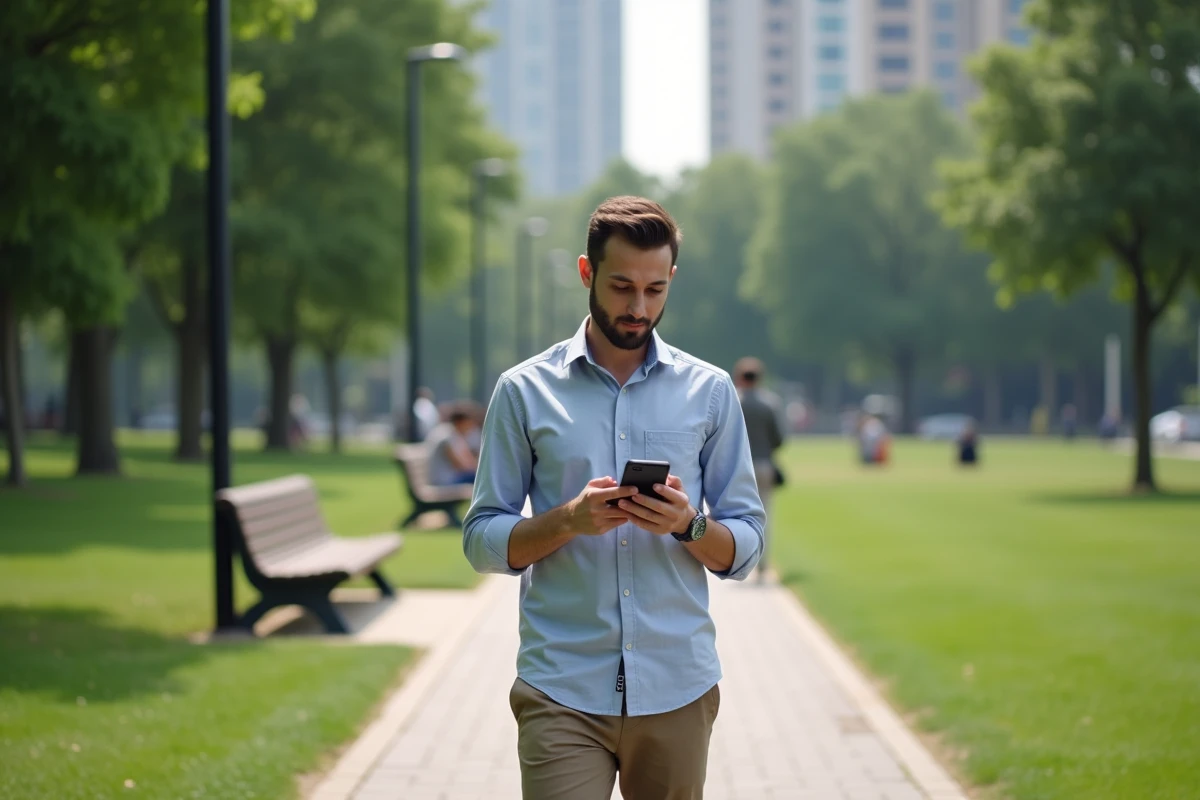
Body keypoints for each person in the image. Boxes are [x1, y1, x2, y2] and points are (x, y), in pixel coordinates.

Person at [464, 196, 766, 800]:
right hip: (561, 687)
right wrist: (568, 521)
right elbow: (481, 540)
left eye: (655, 290)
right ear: (586, 273)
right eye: (622, 286)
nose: (638, 307)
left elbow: (747, 548)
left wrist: (689, 525)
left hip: (677, 685)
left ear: (671, 280)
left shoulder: (709, 392)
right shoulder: (523, 391)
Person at [733, 356, 783, 582]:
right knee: (765, 515)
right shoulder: (769, 403)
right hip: (763, 463)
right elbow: (778, 438)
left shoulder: (734, 400)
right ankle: (762, 564)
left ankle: (741, 559)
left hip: (737, 466)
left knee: (736, 515)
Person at [426, 402, 481, 486]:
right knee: (481, 478)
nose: (470, 428)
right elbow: (461, 466)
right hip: (443, 481)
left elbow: (468, 461)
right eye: (468, 424)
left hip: (448, 478)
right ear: (460, 422)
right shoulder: (446, 437)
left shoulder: (451, 433)